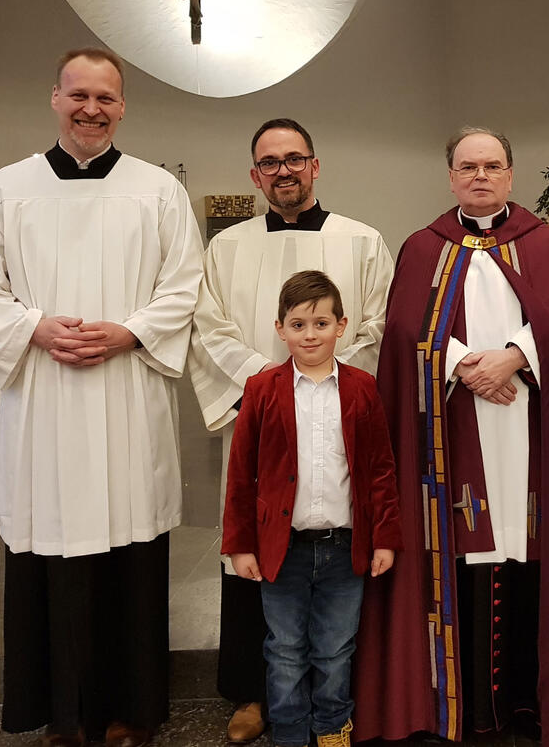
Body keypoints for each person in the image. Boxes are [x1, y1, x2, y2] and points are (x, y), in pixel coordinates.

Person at [354, 127, 549, 747]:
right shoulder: (422, 247)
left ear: (511, 174)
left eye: (491, 166)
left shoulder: (547, 247)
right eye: (467, 167)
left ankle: (536, 704)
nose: (479, 176)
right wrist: (461, 363)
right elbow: (404, 326)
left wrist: (513, 357)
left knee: (529, 552)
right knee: (467, 553)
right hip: (453, 426)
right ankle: (468, 709)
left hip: (529, 426)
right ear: (451, 176)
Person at [0, 47, 203, 747]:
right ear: (55, 98)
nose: (91, 108)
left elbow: (184, 285)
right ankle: (62, 716)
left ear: (122, 106)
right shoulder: (6, 190)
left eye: (106, 97)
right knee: (54, 552)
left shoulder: (157, 191)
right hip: (46, 398)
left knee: (131, 550)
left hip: (126, 394)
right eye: (79, 95)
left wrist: (129, 332)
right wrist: (34, 327)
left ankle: (132, 708)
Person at [189, 118, 393, 744]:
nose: (283, 170)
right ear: (256, 175)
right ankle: (253, 697)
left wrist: (324, 384)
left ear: (315, 165)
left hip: (337, 419)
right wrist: (270, 388)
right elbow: (210, 326)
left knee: (333, 602)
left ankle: (336, 707)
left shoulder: (362, 241)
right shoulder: (226, 248)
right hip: (262, 420)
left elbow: (375, 327)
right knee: (256, 552)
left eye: (294, 158)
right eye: (269, 162)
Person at [222, 270, 402, 747]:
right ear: (280, 329)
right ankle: (289, 734)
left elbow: (381, 470)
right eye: (298, 324)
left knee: (336, 649)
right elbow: (241, 476)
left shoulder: (363, 388)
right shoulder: (261, 390)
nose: (310, 334)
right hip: (283, 549)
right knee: (284, 650)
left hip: (345, 547)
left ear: (342, 326)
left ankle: (331, 730)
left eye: (321, 323)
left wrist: (385, 537)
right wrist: (240, 546)